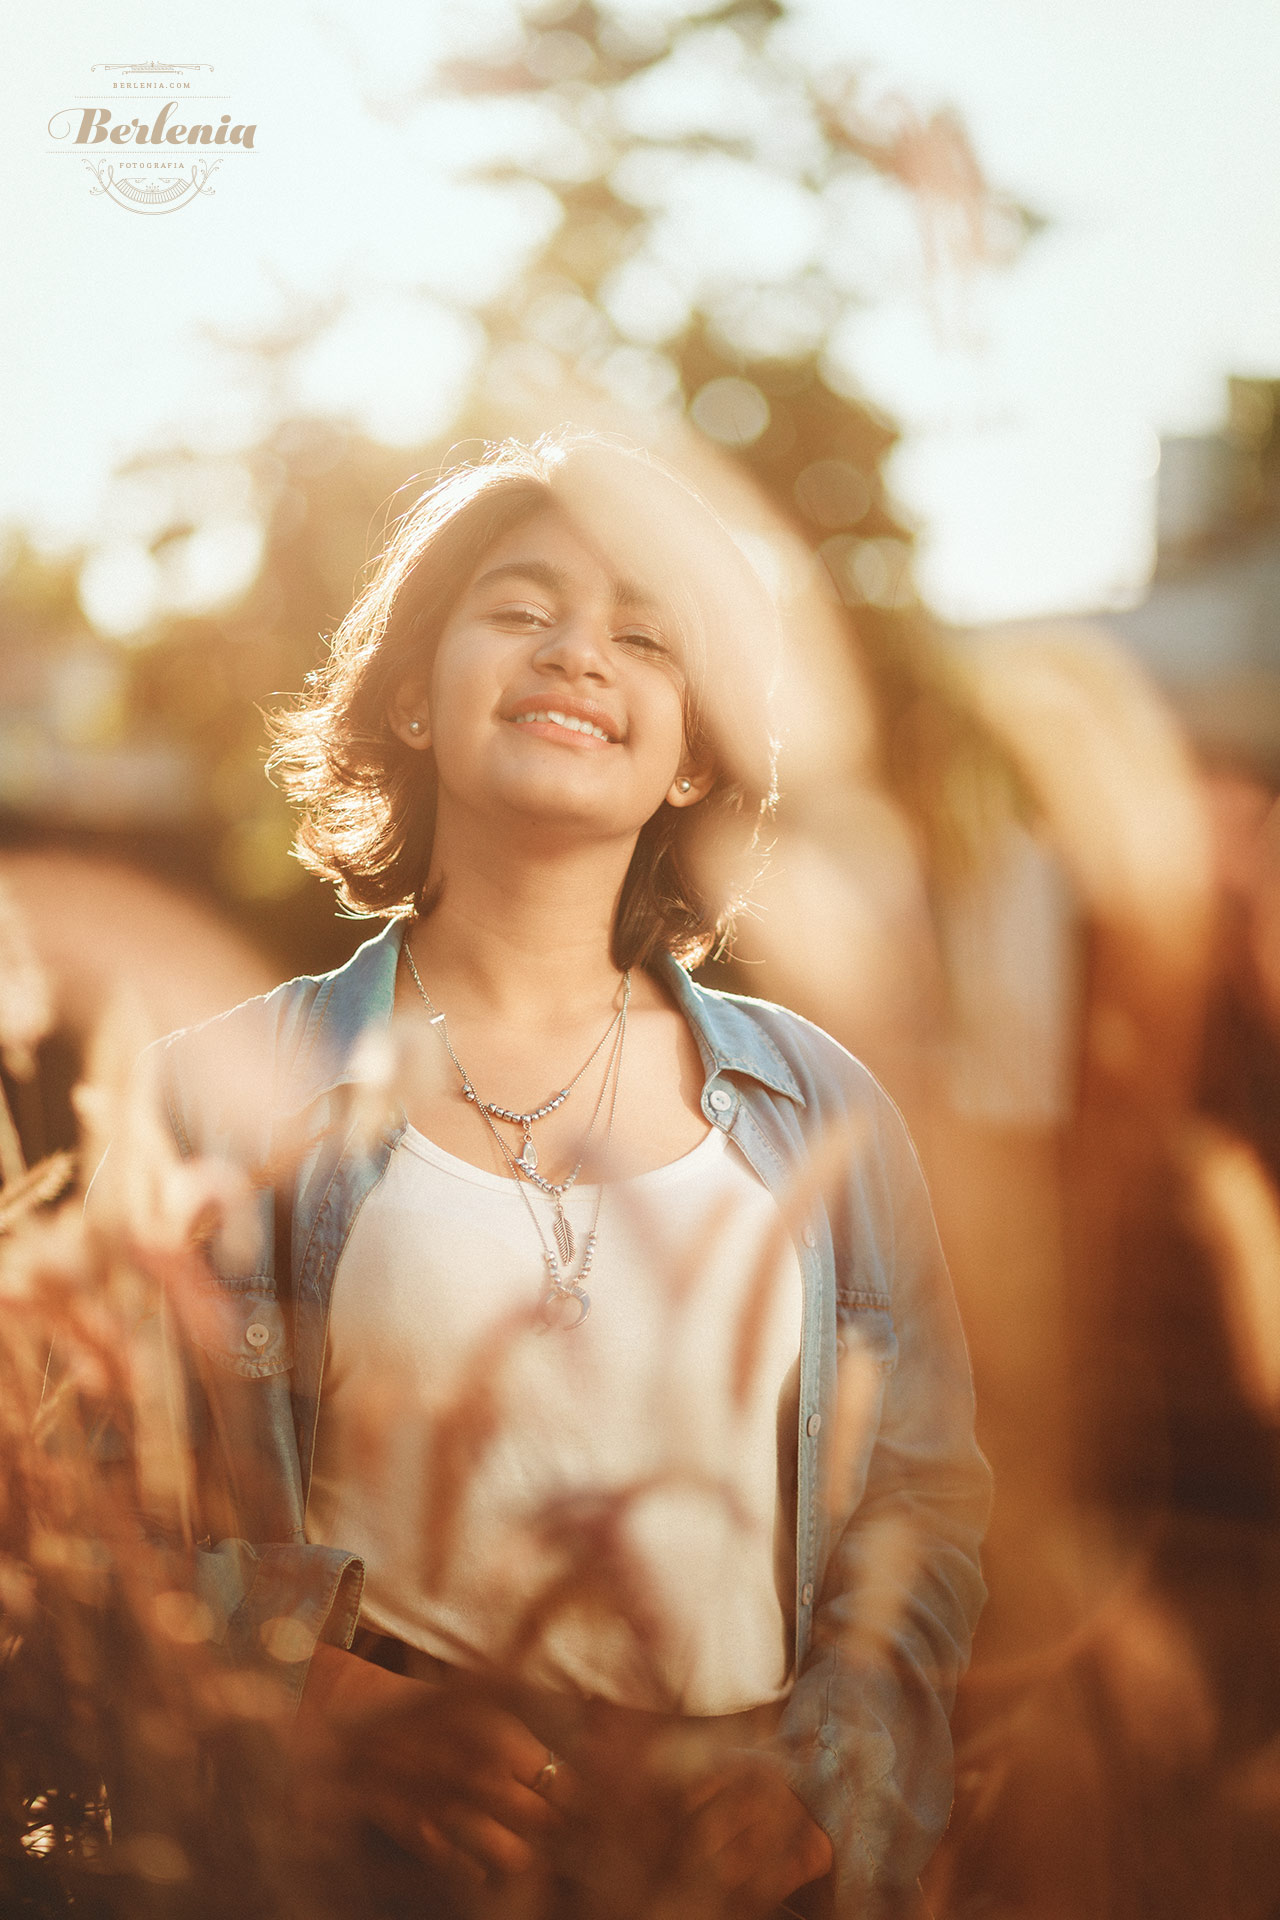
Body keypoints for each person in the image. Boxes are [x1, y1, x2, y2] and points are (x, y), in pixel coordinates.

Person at [132, 434, 990, 1919]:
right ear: (412, 688)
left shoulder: (826, 1113)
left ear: (698, 746)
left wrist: (816, 1788)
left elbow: (925, 1516)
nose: (581, 652)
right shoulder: (223, 1094)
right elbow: (95, 1511)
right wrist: (312, 1698)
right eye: (522, 608)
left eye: (646, 634)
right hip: (363, 1874)